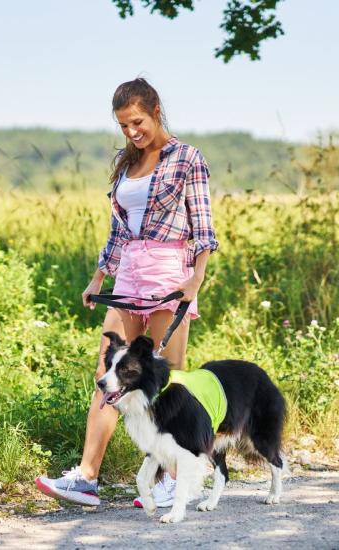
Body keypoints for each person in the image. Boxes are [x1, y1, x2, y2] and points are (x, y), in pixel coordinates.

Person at [35, 77, 219, 508]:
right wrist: (100, 276)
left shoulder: (187, 158)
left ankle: (178, 476)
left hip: (167, 274)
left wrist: (196, 279)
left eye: (137, 121)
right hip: (129, 275)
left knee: (166, 380)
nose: (132, 131)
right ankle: (86, 477)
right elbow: (119, 229)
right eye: (123, 125)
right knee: (108, 372)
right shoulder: (126, 163)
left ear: (156, 111)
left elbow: (204, 227)